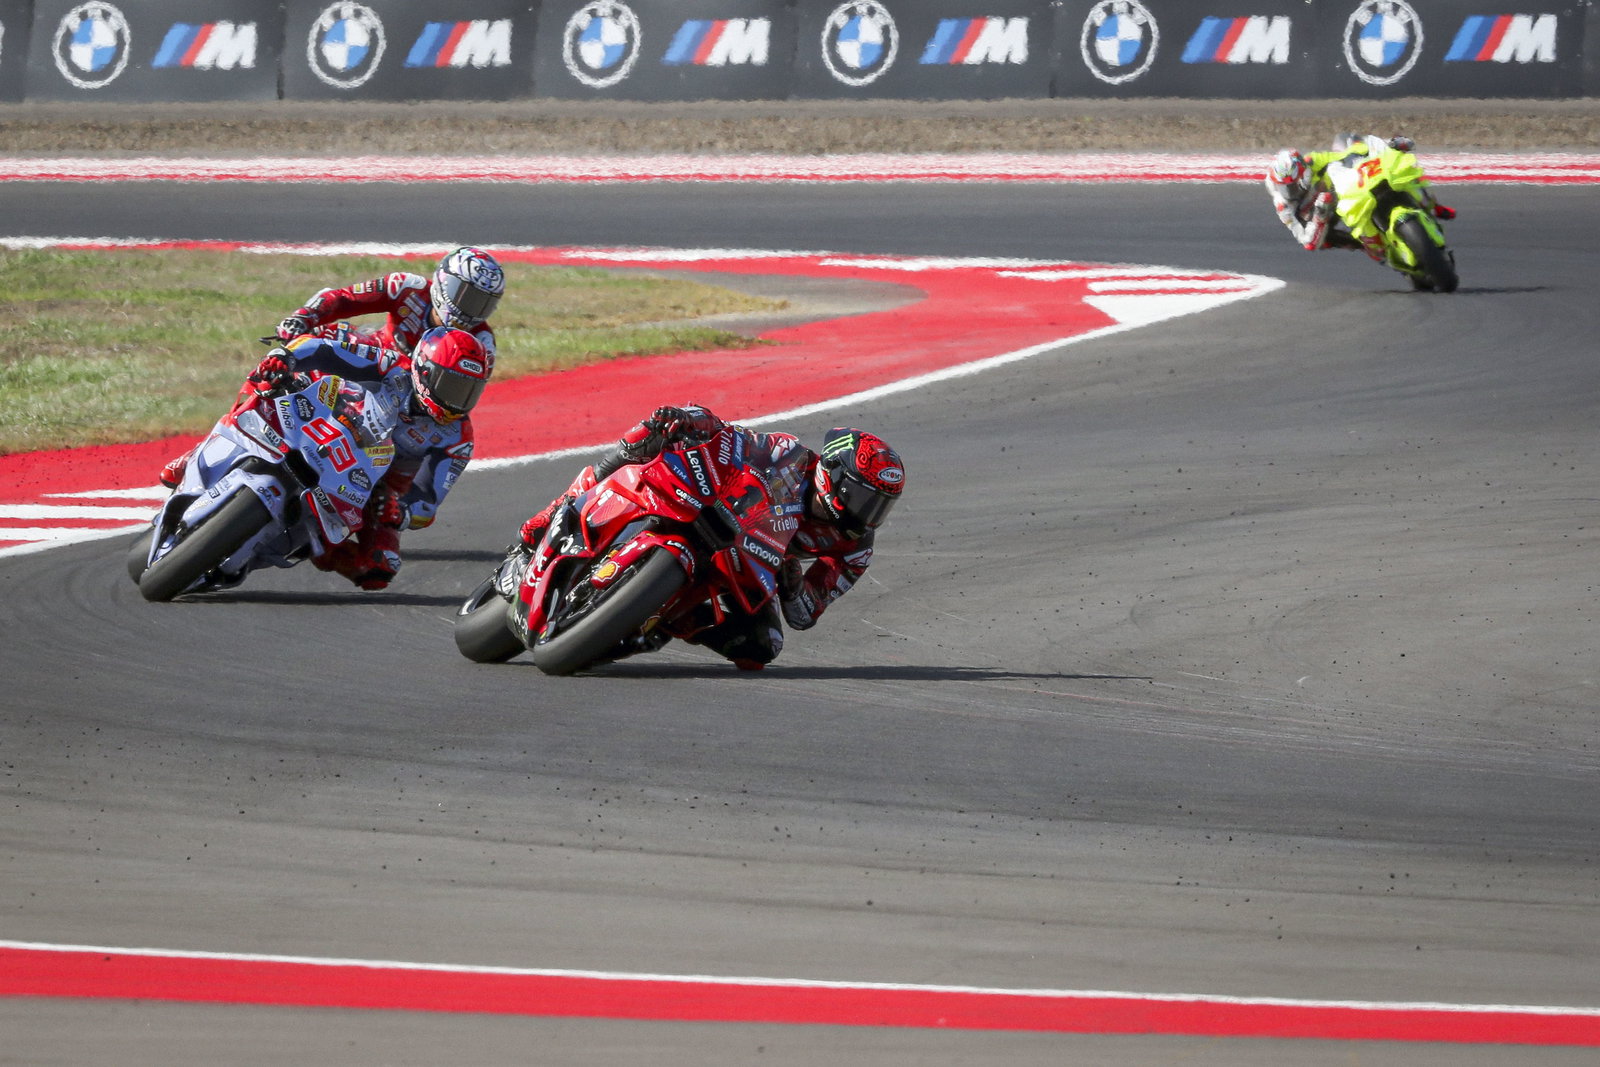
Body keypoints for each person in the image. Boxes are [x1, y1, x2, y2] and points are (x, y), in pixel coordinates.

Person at [516, 404, 906, 670]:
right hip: (713, 506)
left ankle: (659, 619)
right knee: (643, 440)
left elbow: (806, 614)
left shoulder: (855, 549)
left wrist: (792, 587)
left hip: (749, 562)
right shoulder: (789, 454)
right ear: (832, 473)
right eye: (863, 497)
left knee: (763, 647)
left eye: (879, 506)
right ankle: (554, 515)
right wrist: (687, 420)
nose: (867, 513)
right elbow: (733, 437)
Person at [158, 247, 504, 489]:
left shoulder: (482, 344)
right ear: (443, 282)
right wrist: (303, 318)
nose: (470, 310)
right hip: (373, 356)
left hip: (409, 399)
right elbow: (343, 298)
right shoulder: (408, 288)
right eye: (466, 295)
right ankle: (212, 445)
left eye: (483, 303)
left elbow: (459, 396)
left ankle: (378, 507)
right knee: (291, 357)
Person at [242, 324, 492, 590]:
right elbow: (323, 349)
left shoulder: (458, 438)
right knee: (266, 381)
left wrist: (402, 512)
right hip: (326, 425)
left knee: (380, 566)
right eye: (452, 385)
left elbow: (427, 502)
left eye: (468, 391)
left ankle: (307, 544)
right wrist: (285, 358)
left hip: (370, 489)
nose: (458, 400)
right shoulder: (391, 366)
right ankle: (216, 448)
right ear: (425, 369)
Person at [1265, 133, 1454, 255]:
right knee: (1325, 241)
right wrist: (1319, 217)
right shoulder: (1283, 205)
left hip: (1342, 192)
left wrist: (1388, 144)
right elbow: (1306, 241)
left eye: (1292, 185)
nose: (1290, 191)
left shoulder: (1312, 161)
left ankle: (1432, 206)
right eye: (1284, 187)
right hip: (1321, 219)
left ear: (1304, 171)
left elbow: (1349, 155)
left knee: (1400, 172)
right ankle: (1368, 246)